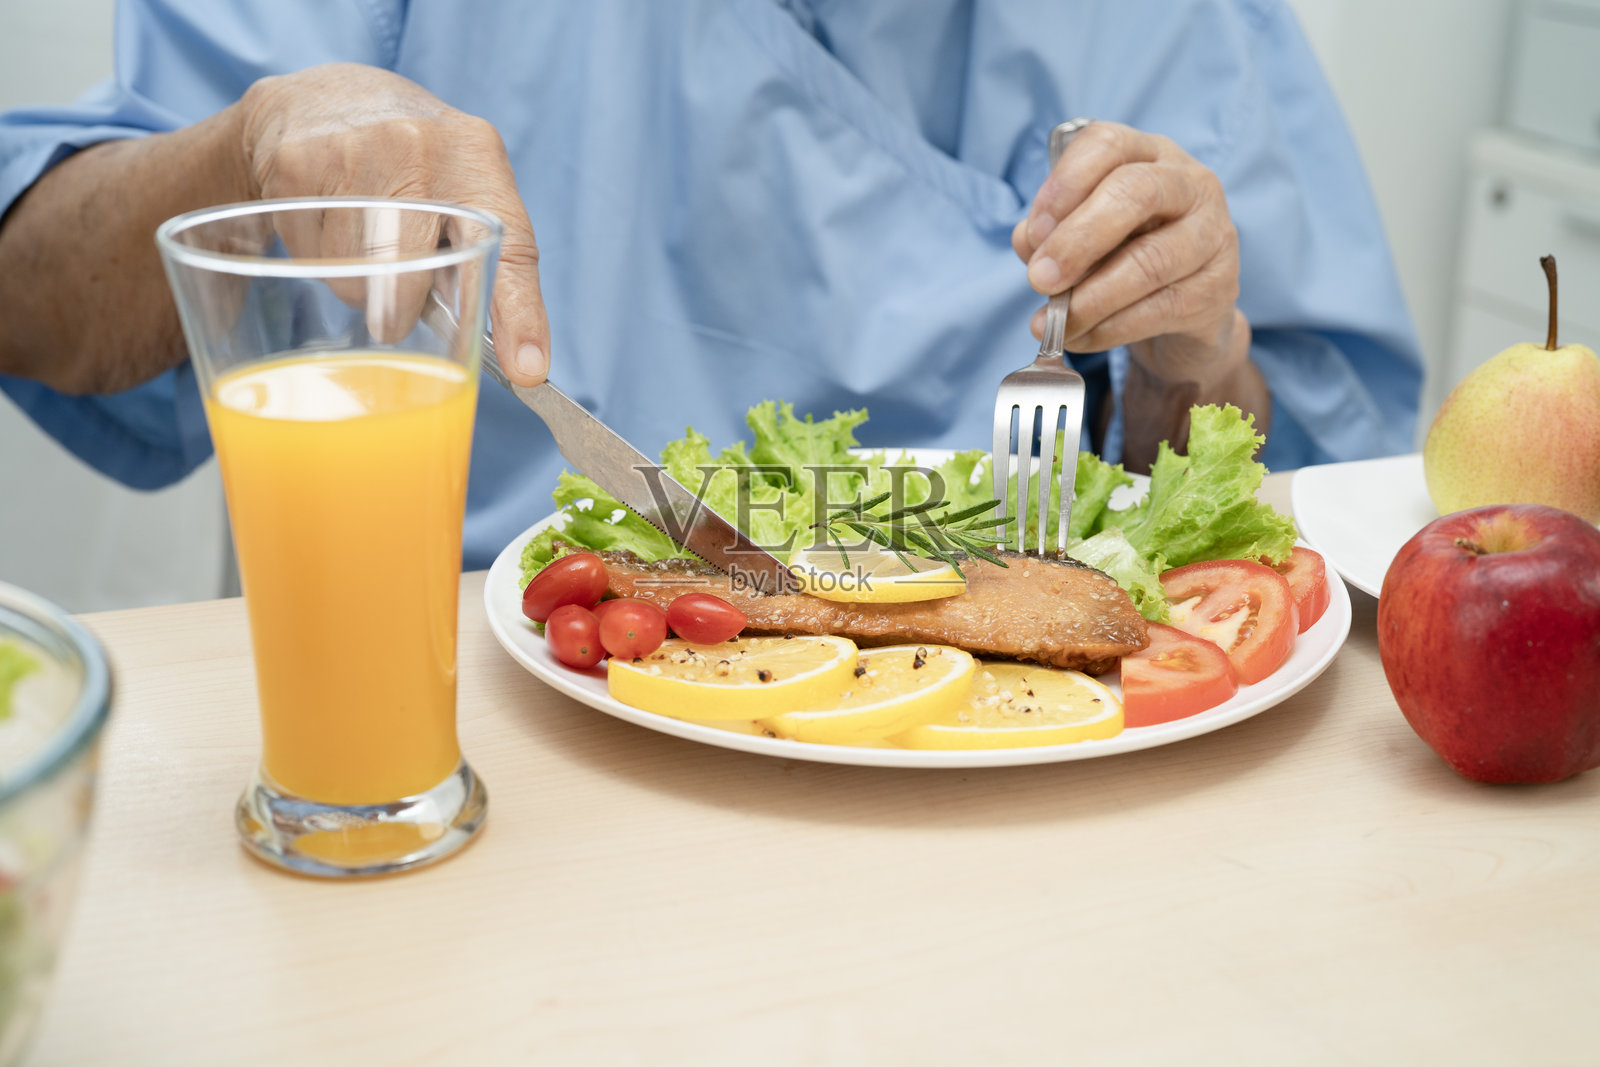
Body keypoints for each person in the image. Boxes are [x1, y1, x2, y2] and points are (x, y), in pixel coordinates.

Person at [0, 0, 1422, 571]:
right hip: (468, 726)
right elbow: (36, 294)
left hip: (1014, 743)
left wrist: (1192, 358)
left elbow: (1266, 501)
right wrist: (247, 157)